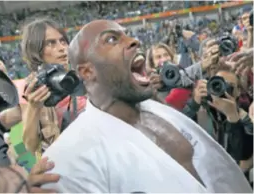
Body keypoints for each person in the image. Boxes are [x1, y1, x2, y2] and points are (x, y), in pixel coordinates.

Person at [42, 20, 251, 193]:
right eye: (112, 39)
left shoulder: (157, 110)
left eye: (127, 35)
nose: (134, 41)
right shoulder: (67, 160)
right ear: (87, 72)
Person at [20, 18, 86, 157]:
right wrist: (34, 108)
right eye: (51, 43)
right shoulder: (34, 89)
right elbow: (30, 146)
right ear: (36, 50)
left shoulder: (84, 74)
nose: (62, 47)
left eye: (63, 41)